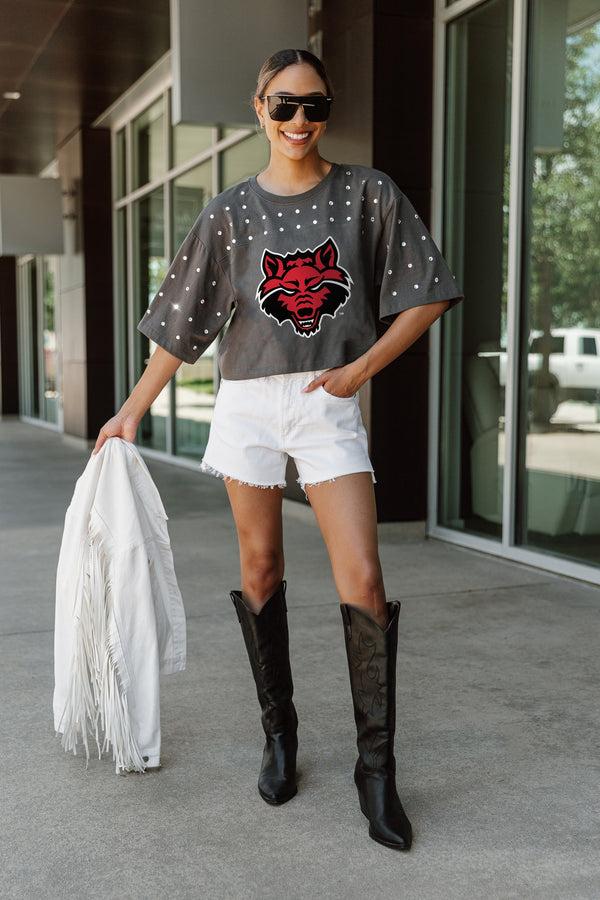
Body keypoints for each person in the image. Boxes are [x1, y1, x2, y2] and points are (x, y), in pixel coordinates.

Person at [93, 47, 464, 851]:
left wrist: (361, 369)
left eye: (316, 106)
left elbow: (427, 292)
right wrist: (129, 411)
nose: (302, 121)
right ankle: (281, 736)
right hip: (249, 406)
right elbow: (181, 331)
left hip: (328, 400)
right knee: (260, 569)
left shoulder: (368, 193)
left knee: (364, 575)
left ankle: (377, 771)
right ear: (259, 109)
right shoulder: (228, 213)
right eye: (286, 106)